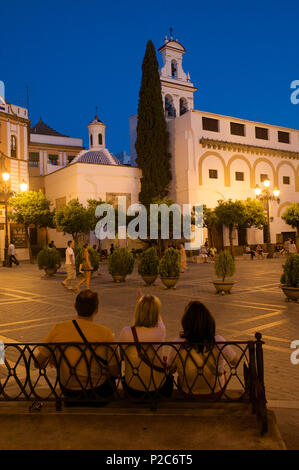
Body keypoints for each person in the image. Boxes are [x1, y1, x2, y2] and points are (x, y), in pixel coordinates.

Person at [34, 289, 119, 402]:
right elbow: (115, 371)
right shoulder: (105, 333)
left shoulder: (58, 329)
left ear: (75, 307)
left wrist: (54, 356)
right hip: (98, 391)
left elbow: (38, 363)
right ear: (96, 309)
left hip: (69, 391)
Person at [168, 301, 238, 396]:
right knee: (222, 373)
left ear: (185, 322)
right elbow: (235, 361)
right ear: (209, 320)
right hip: (215, 391)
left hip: (188, 392)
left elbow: (170, 369)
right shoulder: (218, 340)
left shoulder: (177, 343)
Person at [119, 294, 173, 398]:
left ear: (137, 311)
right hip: (158, 389)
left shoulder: (126, 332)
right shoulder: (160, 331)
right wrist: (151, 306)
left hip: (132, 389)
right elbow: (159, 320)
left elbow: (121, 356)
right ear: (157, 312)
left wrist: (142, 303)